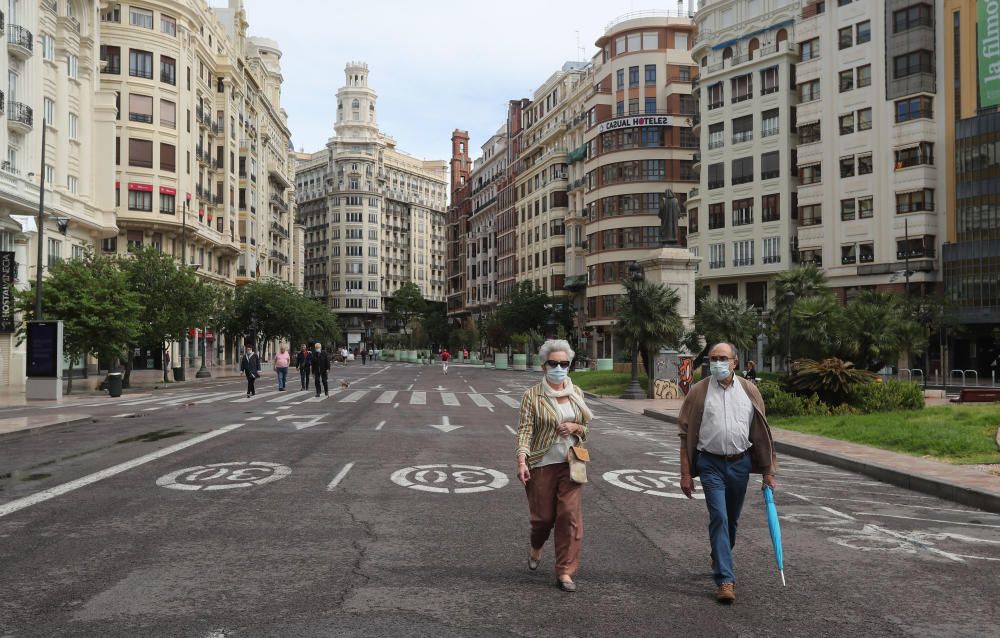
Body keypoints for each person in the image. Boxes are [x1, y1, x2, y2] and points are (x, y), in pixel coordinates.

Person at [678, 342, 777, 604]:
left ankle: (719, 554)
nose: (717, 363)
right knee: (719, 517)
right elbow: (684, 434)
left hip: (740, 464)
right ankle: (725, 579)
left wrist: (768, 471)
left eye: (723, 358)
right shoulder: (699, 392)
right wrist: (686, 474)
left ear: (735, 362)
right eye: (713, 358)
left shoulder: (749, 390)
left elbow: (762, 433)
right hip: (710, 464)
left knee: (732, 520)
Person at [515, 339, 594, 593]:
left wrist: (575, 427)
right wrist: (521, 460)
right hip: (541, 464)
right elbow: (525, 431)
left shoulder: (576, 393)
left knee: (569, 517)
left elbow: (586, 428)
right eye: (554, 363)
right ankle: (536, 546)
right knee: (543, 519)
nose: (559, 368)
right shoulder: (532, 396)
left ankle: (565, 572)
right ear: (544, 366)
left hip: (572, 463)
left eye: (564, 363)